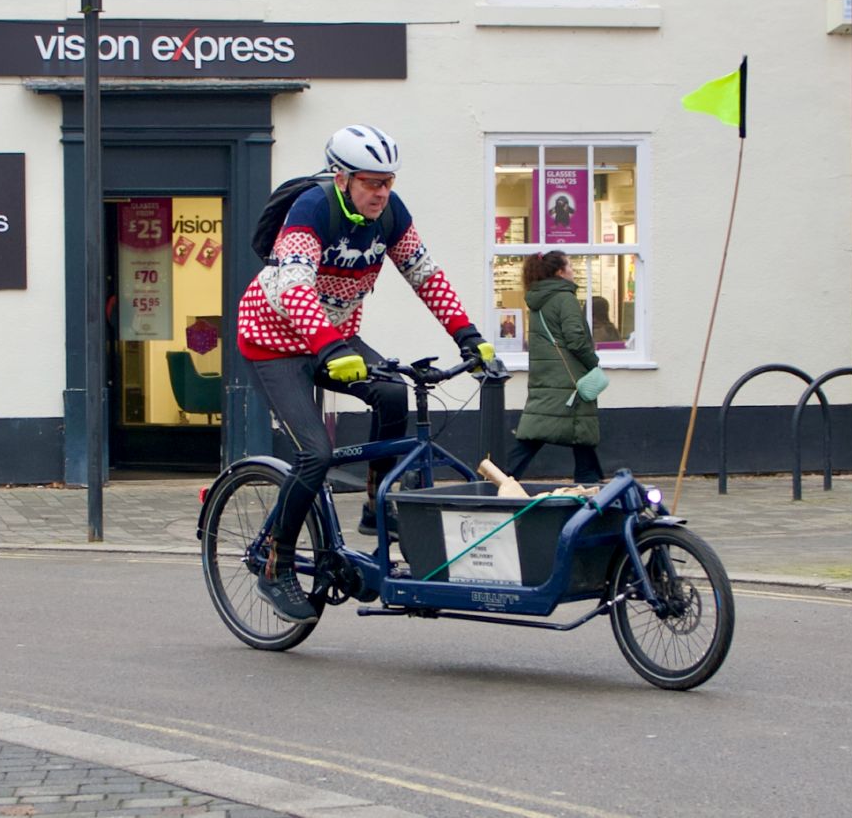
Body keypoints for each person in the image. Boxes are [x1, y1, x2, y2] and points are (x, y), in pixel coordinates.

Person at [238, 125, 491, 622]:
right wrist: (329, 345)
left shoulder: (390, 216)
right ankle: (276, 564)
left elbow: (427, 276)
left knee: (394, 395)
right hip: (274, 342)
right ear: (343, 178)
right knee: (316, 454)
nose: (381, 193)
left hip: (335, 338)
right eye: (371, 182)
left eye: (388, 182)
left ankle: (377, 504)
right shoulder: (312, 209)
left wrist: (469, 335)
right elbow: (293, 287)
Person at [503, 251, 604, 485]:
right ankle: (588, 482)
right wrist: (593, 363)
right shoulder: (564, 297)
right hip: (569, 379)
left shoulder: (538, 299)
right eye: (570, 266)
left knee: (538, 431)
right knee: (578, 432)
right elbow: (576, 338)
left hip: (548, 376)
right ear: (560, 272)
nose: (573, 271)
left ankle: (503, 478)